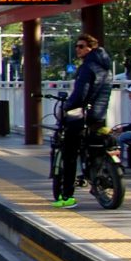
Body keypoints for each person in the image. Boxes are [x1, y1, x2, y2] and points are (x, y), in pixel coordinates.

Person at [53, 34, 113, 209]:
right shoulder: (105, 67)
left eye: (81, 46)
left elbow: (80, 94)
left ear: (90, 48)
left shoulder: (88, 68)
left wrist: (66, 107)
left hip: (83, 116)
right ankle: (98, 178)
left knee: (69, 153)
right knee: (94, 148)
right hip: (99, 116)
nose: (77, 49)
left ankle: (68, 196)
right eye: (77, 46)